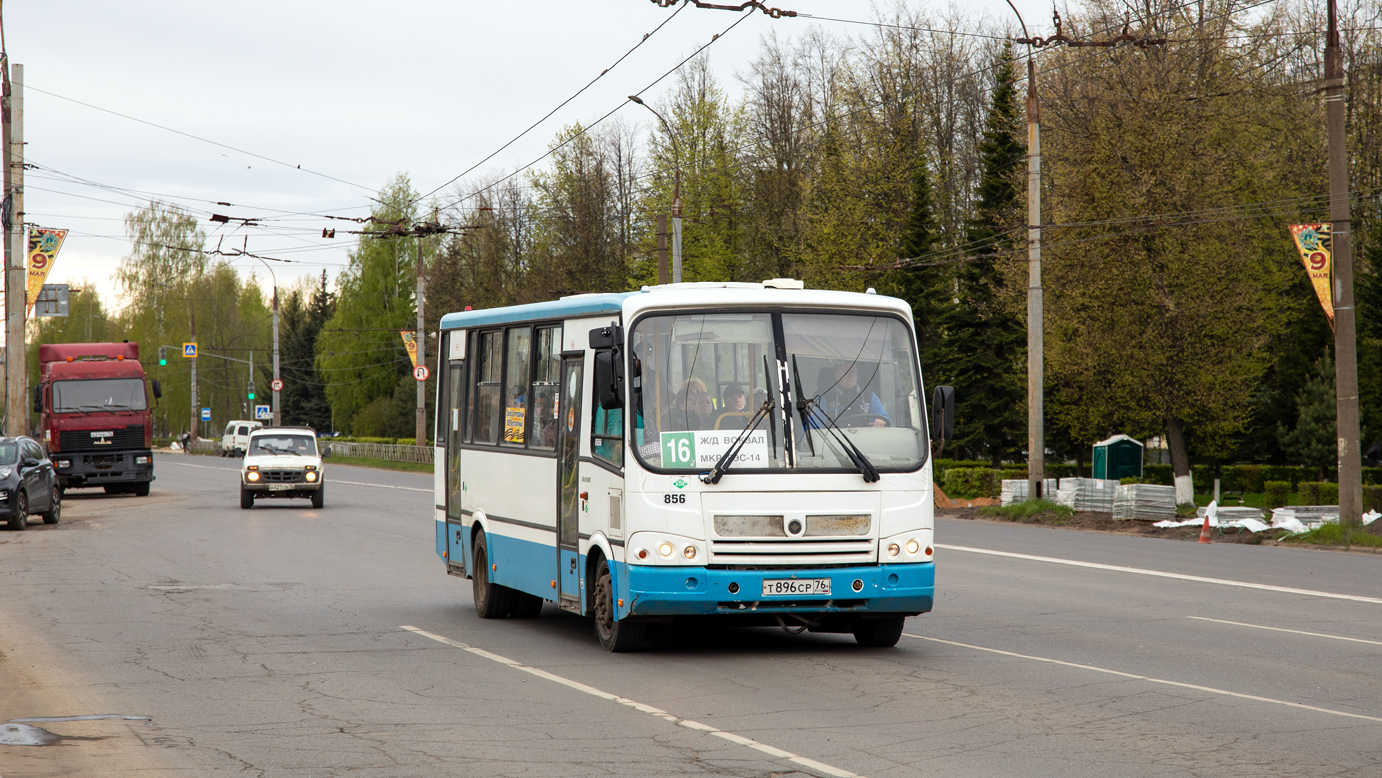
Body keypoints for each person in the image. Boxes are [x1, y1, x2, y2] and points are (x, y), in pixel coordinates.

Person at [820, 361, 889, 427]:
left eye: (853, 371)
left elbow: (883, 417)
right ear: (836, 376)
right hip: (835, 438)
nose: (850, 375)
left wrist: (881, 420)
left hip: (865, 437)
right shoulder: (825, 398)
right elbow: (816, 425)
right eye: (845, 371)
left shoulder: (869, 396)